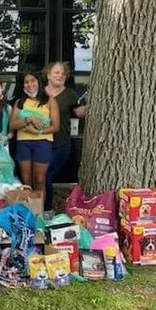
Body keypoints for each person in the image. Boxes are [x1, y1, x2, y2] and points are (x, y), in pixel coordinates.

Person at [43, 61, 88, 212]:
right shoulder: (39, 93)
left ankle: (47, 211)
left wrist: (93, 102)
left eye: (63, 73)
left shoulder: (70, 94)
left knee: (45, 177)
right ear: (48, 75)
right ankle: (39, 209)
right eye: (56, 72)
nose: (60, 75)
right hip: (40, 144)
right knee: (39, 179)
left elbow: (79, 113)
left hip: (61, 144)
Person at [10, 71, 60, 201]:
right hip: (23, 143)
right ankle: (28, 210)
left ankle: (39, 213)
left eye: (33, 81)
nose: (30, 84)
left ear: (39, 82)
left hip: (43, 142)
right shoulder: (19, 102)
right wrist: (29, 119)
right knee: (26, 181)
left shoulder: (49, 100)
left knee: (39, 180)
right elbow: (12, 125)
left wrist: (37, 132)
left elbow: (55, 126)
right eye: (26, 82)